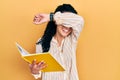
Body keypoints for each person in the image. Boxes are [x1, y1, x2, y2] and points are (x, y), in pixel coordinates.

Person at [29, 4, 84, 80]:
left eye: (69, 23)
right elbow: (40, 71)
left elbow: (80, 20)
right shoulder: (41, 42)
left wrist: (50, 17)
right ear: (56, 22)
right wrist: (35, 71)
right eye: (64, 22)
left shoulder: (72, 39)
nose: (67, 27)